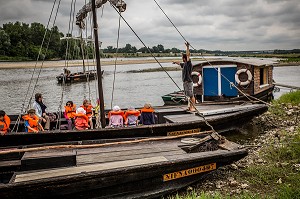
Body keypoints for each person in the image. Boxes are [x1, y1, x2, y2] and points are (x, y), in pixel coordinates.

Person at [173, 42, 196, 112]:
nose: (182, 59)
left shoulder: (188, 63)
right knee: (188, 95)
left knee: (191, 95)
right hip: (185, 82)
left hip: (188, 82)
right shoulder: (184, 64)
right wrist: (175, 62)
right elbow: (179, 63)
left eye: (182, 57)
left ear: (185, 58)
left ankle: (193, 107)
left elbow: (188, 55)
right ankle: (189, 107)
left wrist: (187, 47)